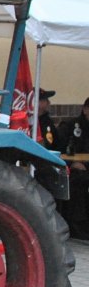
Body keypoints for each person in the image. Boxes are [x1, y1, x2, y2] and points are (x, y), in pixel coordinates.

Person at [61, 97, 89, 240]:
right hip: (74, 169)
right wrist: (71, 163)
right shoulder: (71, 126)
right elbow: (59, 150)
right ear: (85, 110)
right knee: (78, 181)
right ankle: (78, 225)